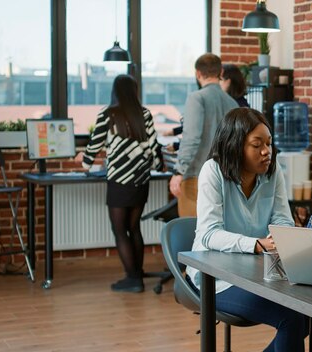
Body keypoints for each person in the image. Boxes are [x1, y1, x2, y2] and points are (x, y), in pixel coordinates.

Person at [185, 107, 309, 351]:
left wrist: (279, 238)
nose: (267, 152)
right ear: (235, 145)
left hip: (256, 273)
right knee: (293, 318)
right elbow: (209, 234)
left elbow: (283, 220)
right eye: (257, 144)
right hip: (215, 278)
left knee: (305, 316)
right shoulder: (213, 171)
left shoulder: (272, 172)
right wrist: (256, 244)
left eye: (269, 143)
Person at [76, 74, 163, 293]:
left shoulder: (109, 114)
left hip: (119, 181)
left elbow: (94, 145)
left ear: (115, 91)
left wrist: (85, 163)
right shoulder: (144, 114)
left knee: (119, 230)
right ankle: (137, 273)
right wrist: (157, 165)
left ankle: (133, 279)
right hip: (141, 180)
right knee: (134, 228)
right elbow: (155, 149)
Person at [169, 53, 238, 217]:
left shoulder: (196, 98)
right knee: (218, 234)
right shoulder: (232, 103)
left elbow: (191, 138)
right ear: (221, 72)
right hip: (226, 178)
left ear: (197, 74)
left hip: (197, 177)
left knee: (193, 235)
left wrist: (179, 172)